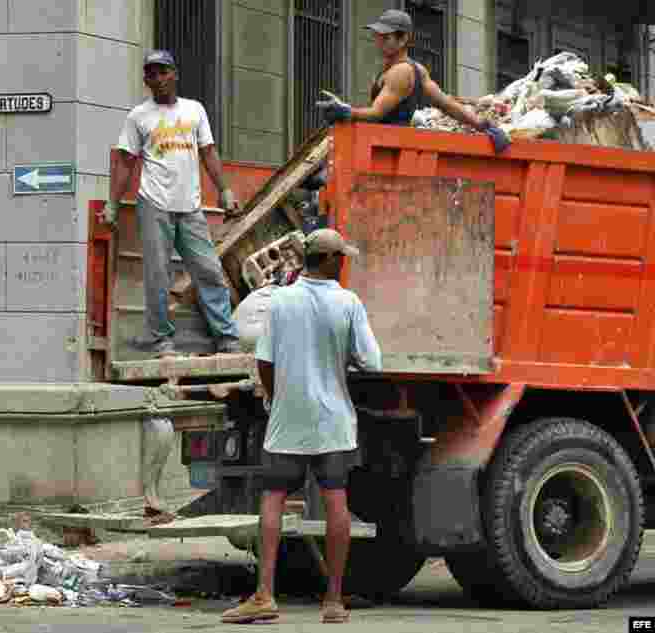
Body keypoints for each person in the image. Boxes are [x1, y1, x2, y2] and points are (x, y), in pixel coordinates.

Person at [221, 229, 382, 625]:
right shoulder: (348, 303)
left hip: (287, 419)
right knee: (335, 503)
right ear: (329, 261)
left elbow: (264, 361)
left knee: (273, 499)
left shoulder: (280, 302)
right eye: (341, 257)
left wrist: (277, 400)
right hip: (333, 422)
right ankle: (333, 601)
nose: (343, 263)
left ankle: (263, 595)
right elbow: (371, 361)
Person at [101, 49, 242, 357]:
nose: (158, 78)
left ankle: (227, 338)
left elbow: (208, 153)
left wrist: (225, 190)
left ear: (174, 74)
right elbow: (125, 162)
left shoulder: (195, 110)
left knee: (209, 271)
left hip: (190, 207)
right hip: (154, 204)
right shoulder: (138, 116)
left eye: (163, 71)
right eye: (151, 73)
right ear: (146, 80)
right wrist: (112, 203)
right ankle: (161, 341)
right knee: (157, 275)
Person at [315, 9, 511, 153]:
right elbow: (447, 104)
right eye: (377, 35)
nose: (379, 41)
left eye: (386, 37)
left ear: (403, 39)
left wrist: (346, 111)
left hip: (387, 149)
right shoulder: (414, 70)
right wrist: (482, 125)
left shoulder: (401, 72)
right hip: (385, 146)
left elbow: (375, 114)